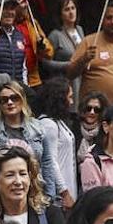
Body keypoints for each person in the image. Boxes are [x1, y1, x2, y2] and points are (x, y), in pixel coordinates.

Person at [0, 80, 68, 204]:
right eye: (4, 100)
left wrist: (49, 195)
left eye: (14, 98)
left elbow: (47, 162)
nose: (9, 102)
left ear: (23, 100)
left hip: (34, 193)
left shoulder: (38, 128)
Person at [33, 77, 78, 208]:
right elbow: (51, 162)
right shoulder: (48, 125)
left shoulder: (58, 122)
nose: (72, 102)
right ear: (59, 100)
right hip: (59, 198)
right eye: (69, 97)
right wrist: (64, 192)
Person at [45, 0, 85, 93]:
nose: (71, 12)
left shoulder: (80, 30)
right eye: (66, 9)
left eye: (73, 8)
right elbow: (45, 63)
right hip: (64, 85)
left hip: (81, 83)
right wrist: (67, 65)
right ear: (60, 14)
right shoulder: (55, 35)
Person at [74, 92, 109, 170]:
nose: (92, 112)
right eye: (88, 108)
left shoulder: (104, 131)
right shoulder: (73, 127)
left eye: (96, 109)